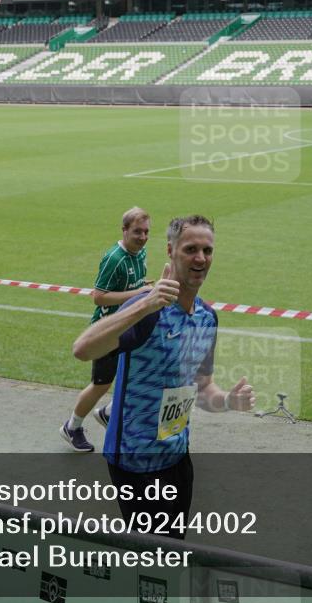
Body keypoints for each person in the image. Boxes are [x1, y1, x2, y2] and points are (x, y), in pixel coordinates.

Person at [72, 215, 254, 538]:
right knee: (152, 562)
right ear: (170, 251)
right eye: (191, 249)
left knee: (174, 548)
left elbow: (203, 387)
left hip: (177, 454)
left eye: (207, 250)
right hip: (135, 461)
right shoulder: (148, 312)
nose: (200, 258)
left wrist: (228, 400)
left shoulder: (207, 318)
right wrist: (143, 304)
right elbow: (83, 348)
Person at [61, 207, 152, 452]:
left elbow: (134, 284)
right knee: (101, 383)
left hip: (127, 327)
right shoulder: (114, 258)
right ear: (124, 231)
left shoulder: (140, 254)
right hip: (105, 333)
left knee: (135, 374)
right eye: (137, 232)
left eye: (146, 232)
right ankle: (72, 427)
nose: (142, 237)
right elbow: (99, 297)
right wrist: (139, 293)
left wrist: (144, 286)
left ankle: (108, 413)